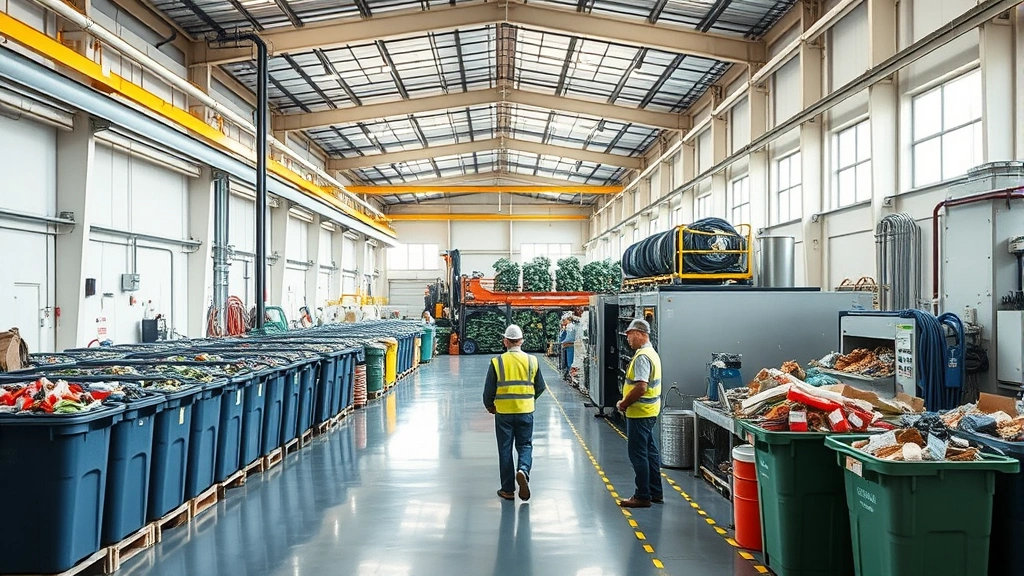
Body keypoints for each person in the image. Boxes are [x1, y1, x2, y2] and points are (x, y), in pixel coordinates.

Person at [483, 324, 547, 501]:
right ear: (521, 341)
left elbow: (489, 390)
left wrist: (490, 406)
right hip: (525, 411)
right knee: (525, 445)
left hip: (503, 412)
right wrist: (528, 400)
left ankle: (508, 489)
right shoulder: (532, 361)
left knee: (505, 450)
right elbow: (540, 387)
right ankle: (523, 471)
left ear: (506, 341)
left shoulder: (497, 362)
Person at [616, 318, 664, 508]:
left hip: (640, 412)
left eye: (629, 335)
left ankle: (642, 495)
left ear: (639, 334)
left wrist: (623, 403)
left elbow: (641, 387)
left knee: (638, 454)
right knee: (650, 452)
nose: (628, 339)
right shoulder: (652, 353)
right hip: (650, 411)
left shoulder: (643, 357)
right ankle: (655, 491)